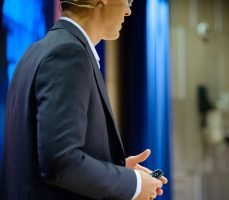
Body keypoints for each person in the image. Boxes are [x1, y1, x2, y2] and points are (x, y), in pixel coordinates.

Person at [0, 0, 168, 199]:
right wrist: (135, 184)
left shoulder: (35, 52)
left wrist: (119, 170)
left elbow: (43, 156)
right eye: (127, 1)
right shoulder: (69, 53)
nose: (129, 11)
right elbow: (61, 161)